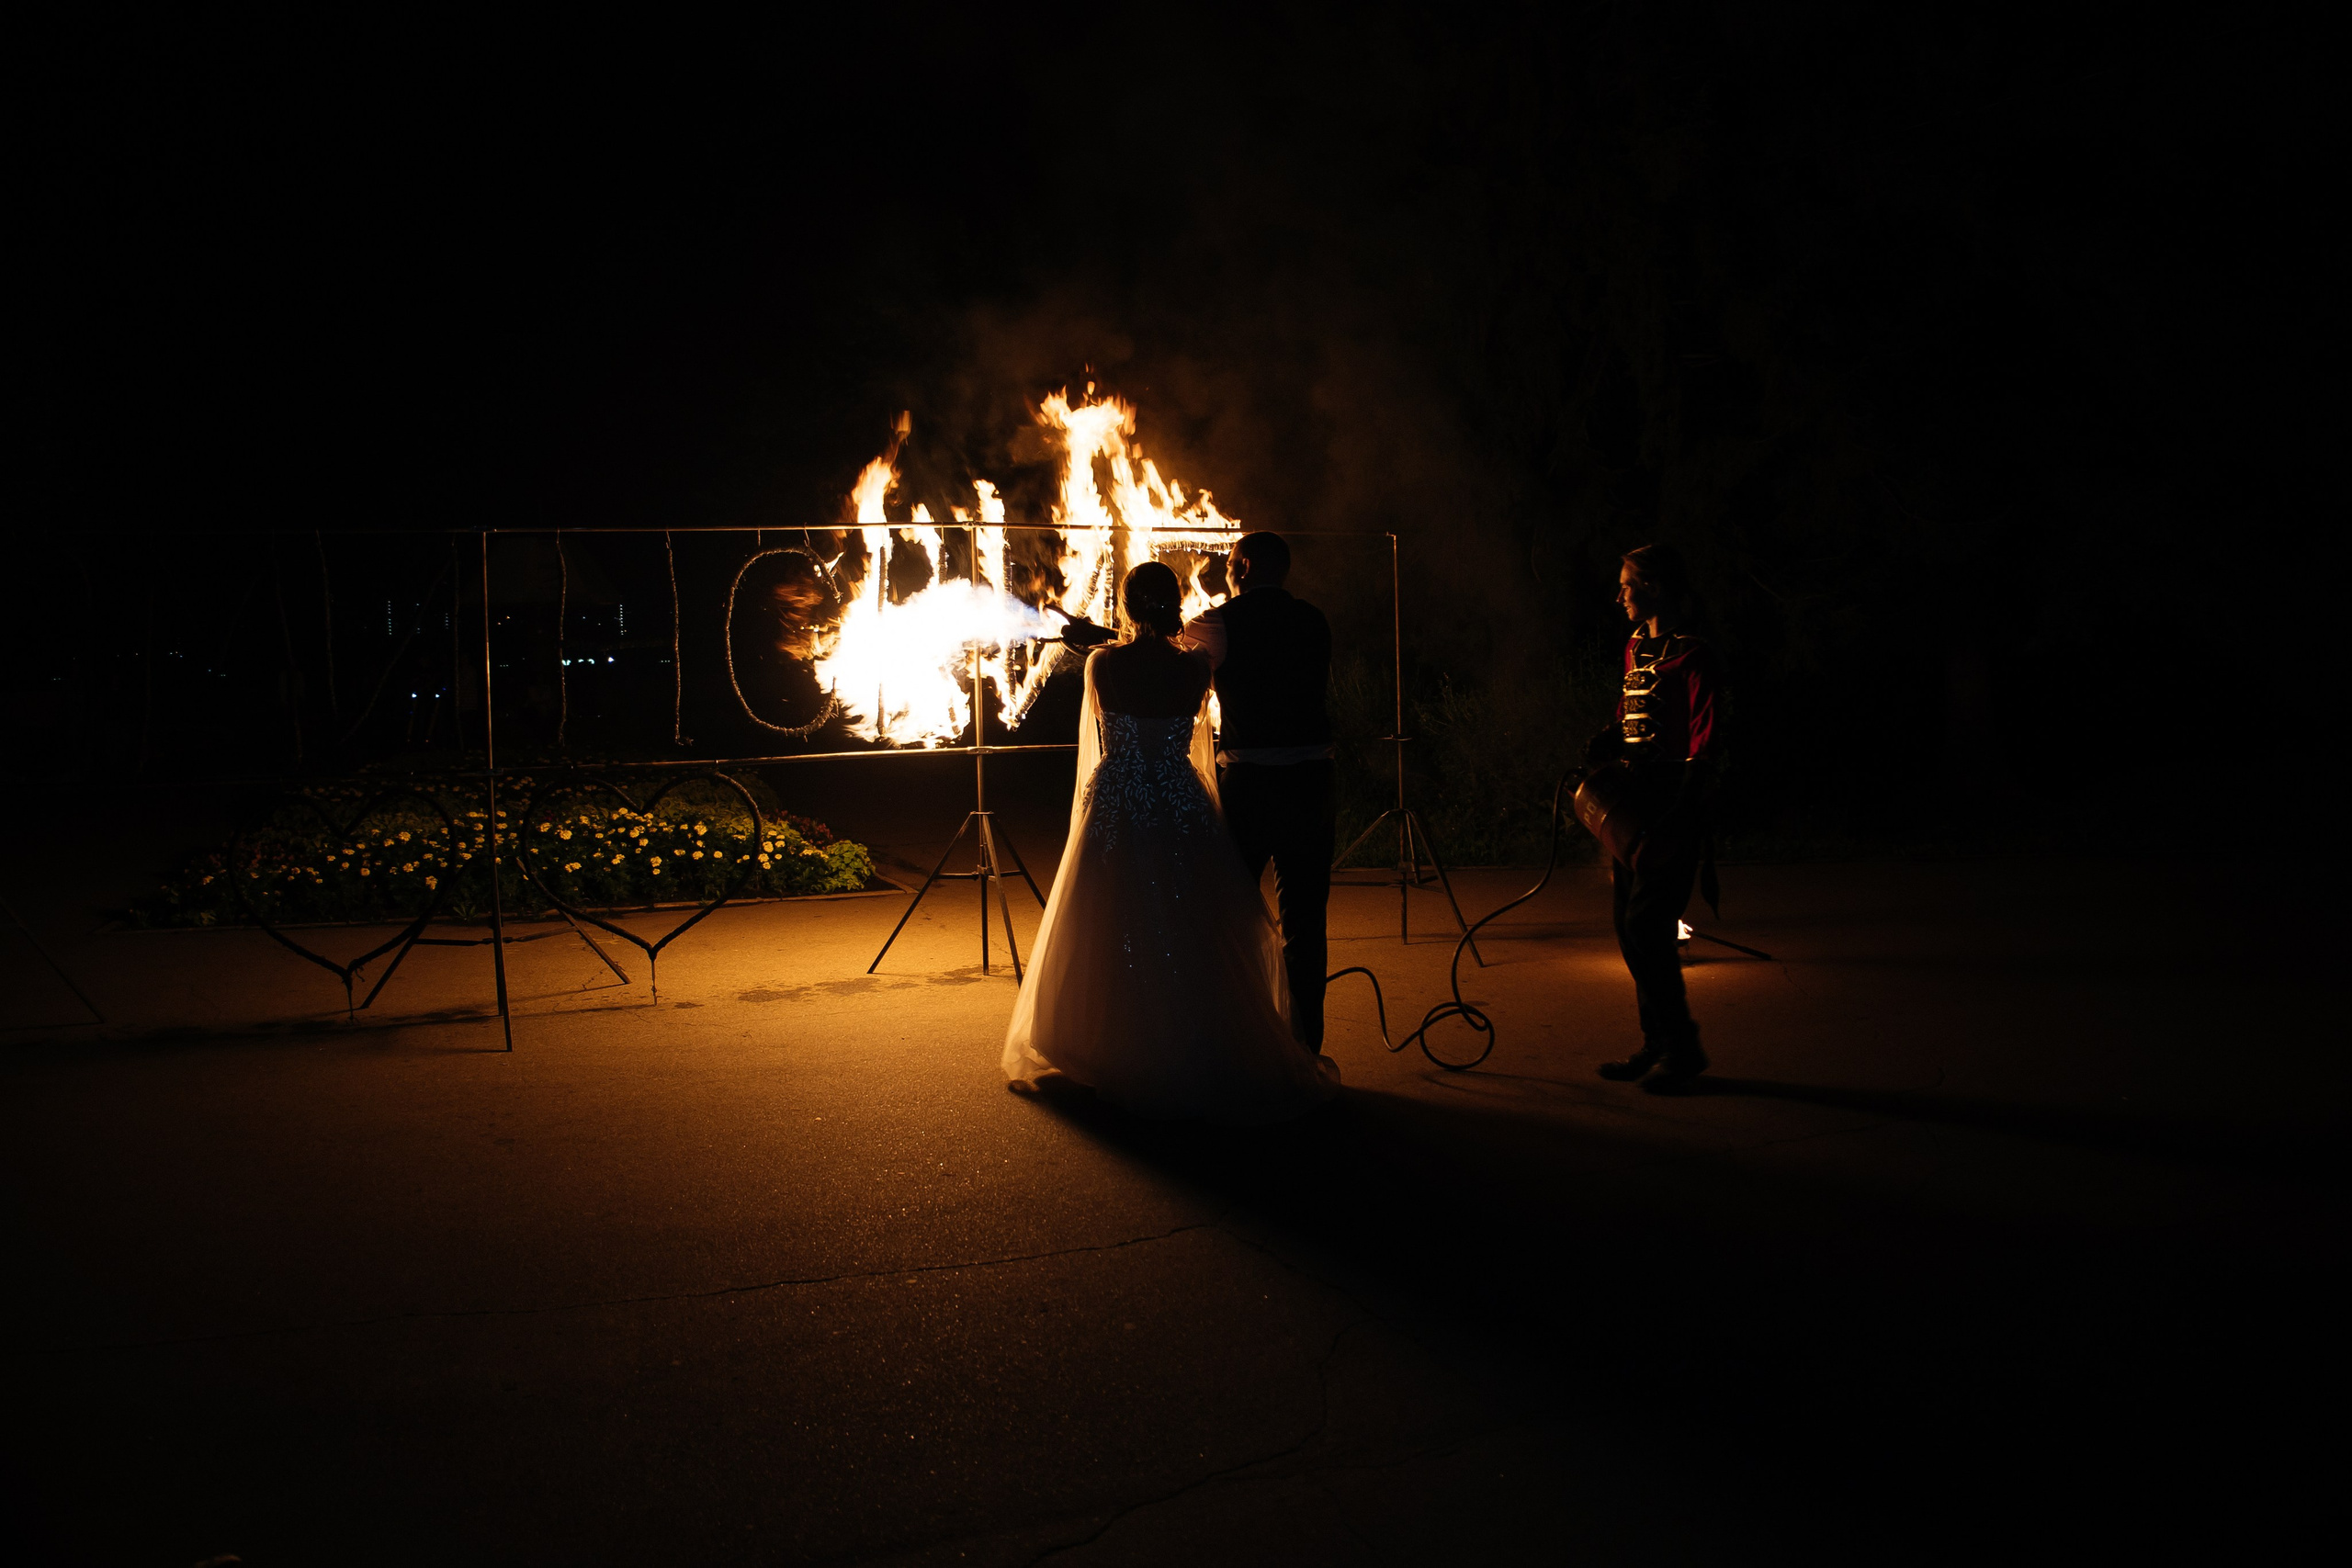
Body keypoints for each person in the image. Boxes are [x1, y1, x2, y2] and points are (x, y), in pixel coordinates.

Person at [1001, 561, 1340, 1122]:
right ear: (1175, 603)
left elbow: (1105, 721)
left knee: (1113, 915)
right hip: (1180, 795)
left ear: (1129, 607)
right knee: (1192, 918)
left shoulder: (1102, 664)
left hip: (1119, 795)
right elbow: (1185, 684)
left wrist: (1106, 637)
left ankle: (1109, 1040)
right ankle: (1205, 1035)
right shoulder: (1195, 669)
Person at [1176, 531, 1337, 1053]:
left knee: (1234, 912)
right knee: (1307, 921)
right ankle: (1305, 1049)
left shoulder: (1219, 622)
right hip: (1313, 780)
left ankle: (1238, 1042)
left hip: (1251, 783)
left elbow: (1172, 661)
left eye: (1229, 563)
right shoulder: (1315, 620)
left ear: (1242, 567)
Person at [1586, 542, 1724, 1087]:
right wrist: (1606, 737)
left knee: (1649, 923)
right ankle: (1656, 1043)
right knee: (1628, 923)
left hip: (1673, 797)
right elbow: (1629, 710)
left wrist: (1687, 803)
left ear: (1654, 588)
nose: (1619, 594)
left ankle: (1683, 1051)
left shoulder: (1694, 654)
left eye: (1627, 585)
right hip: (1634, 798)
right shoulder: (1637, 645)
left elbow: (1706, 735)